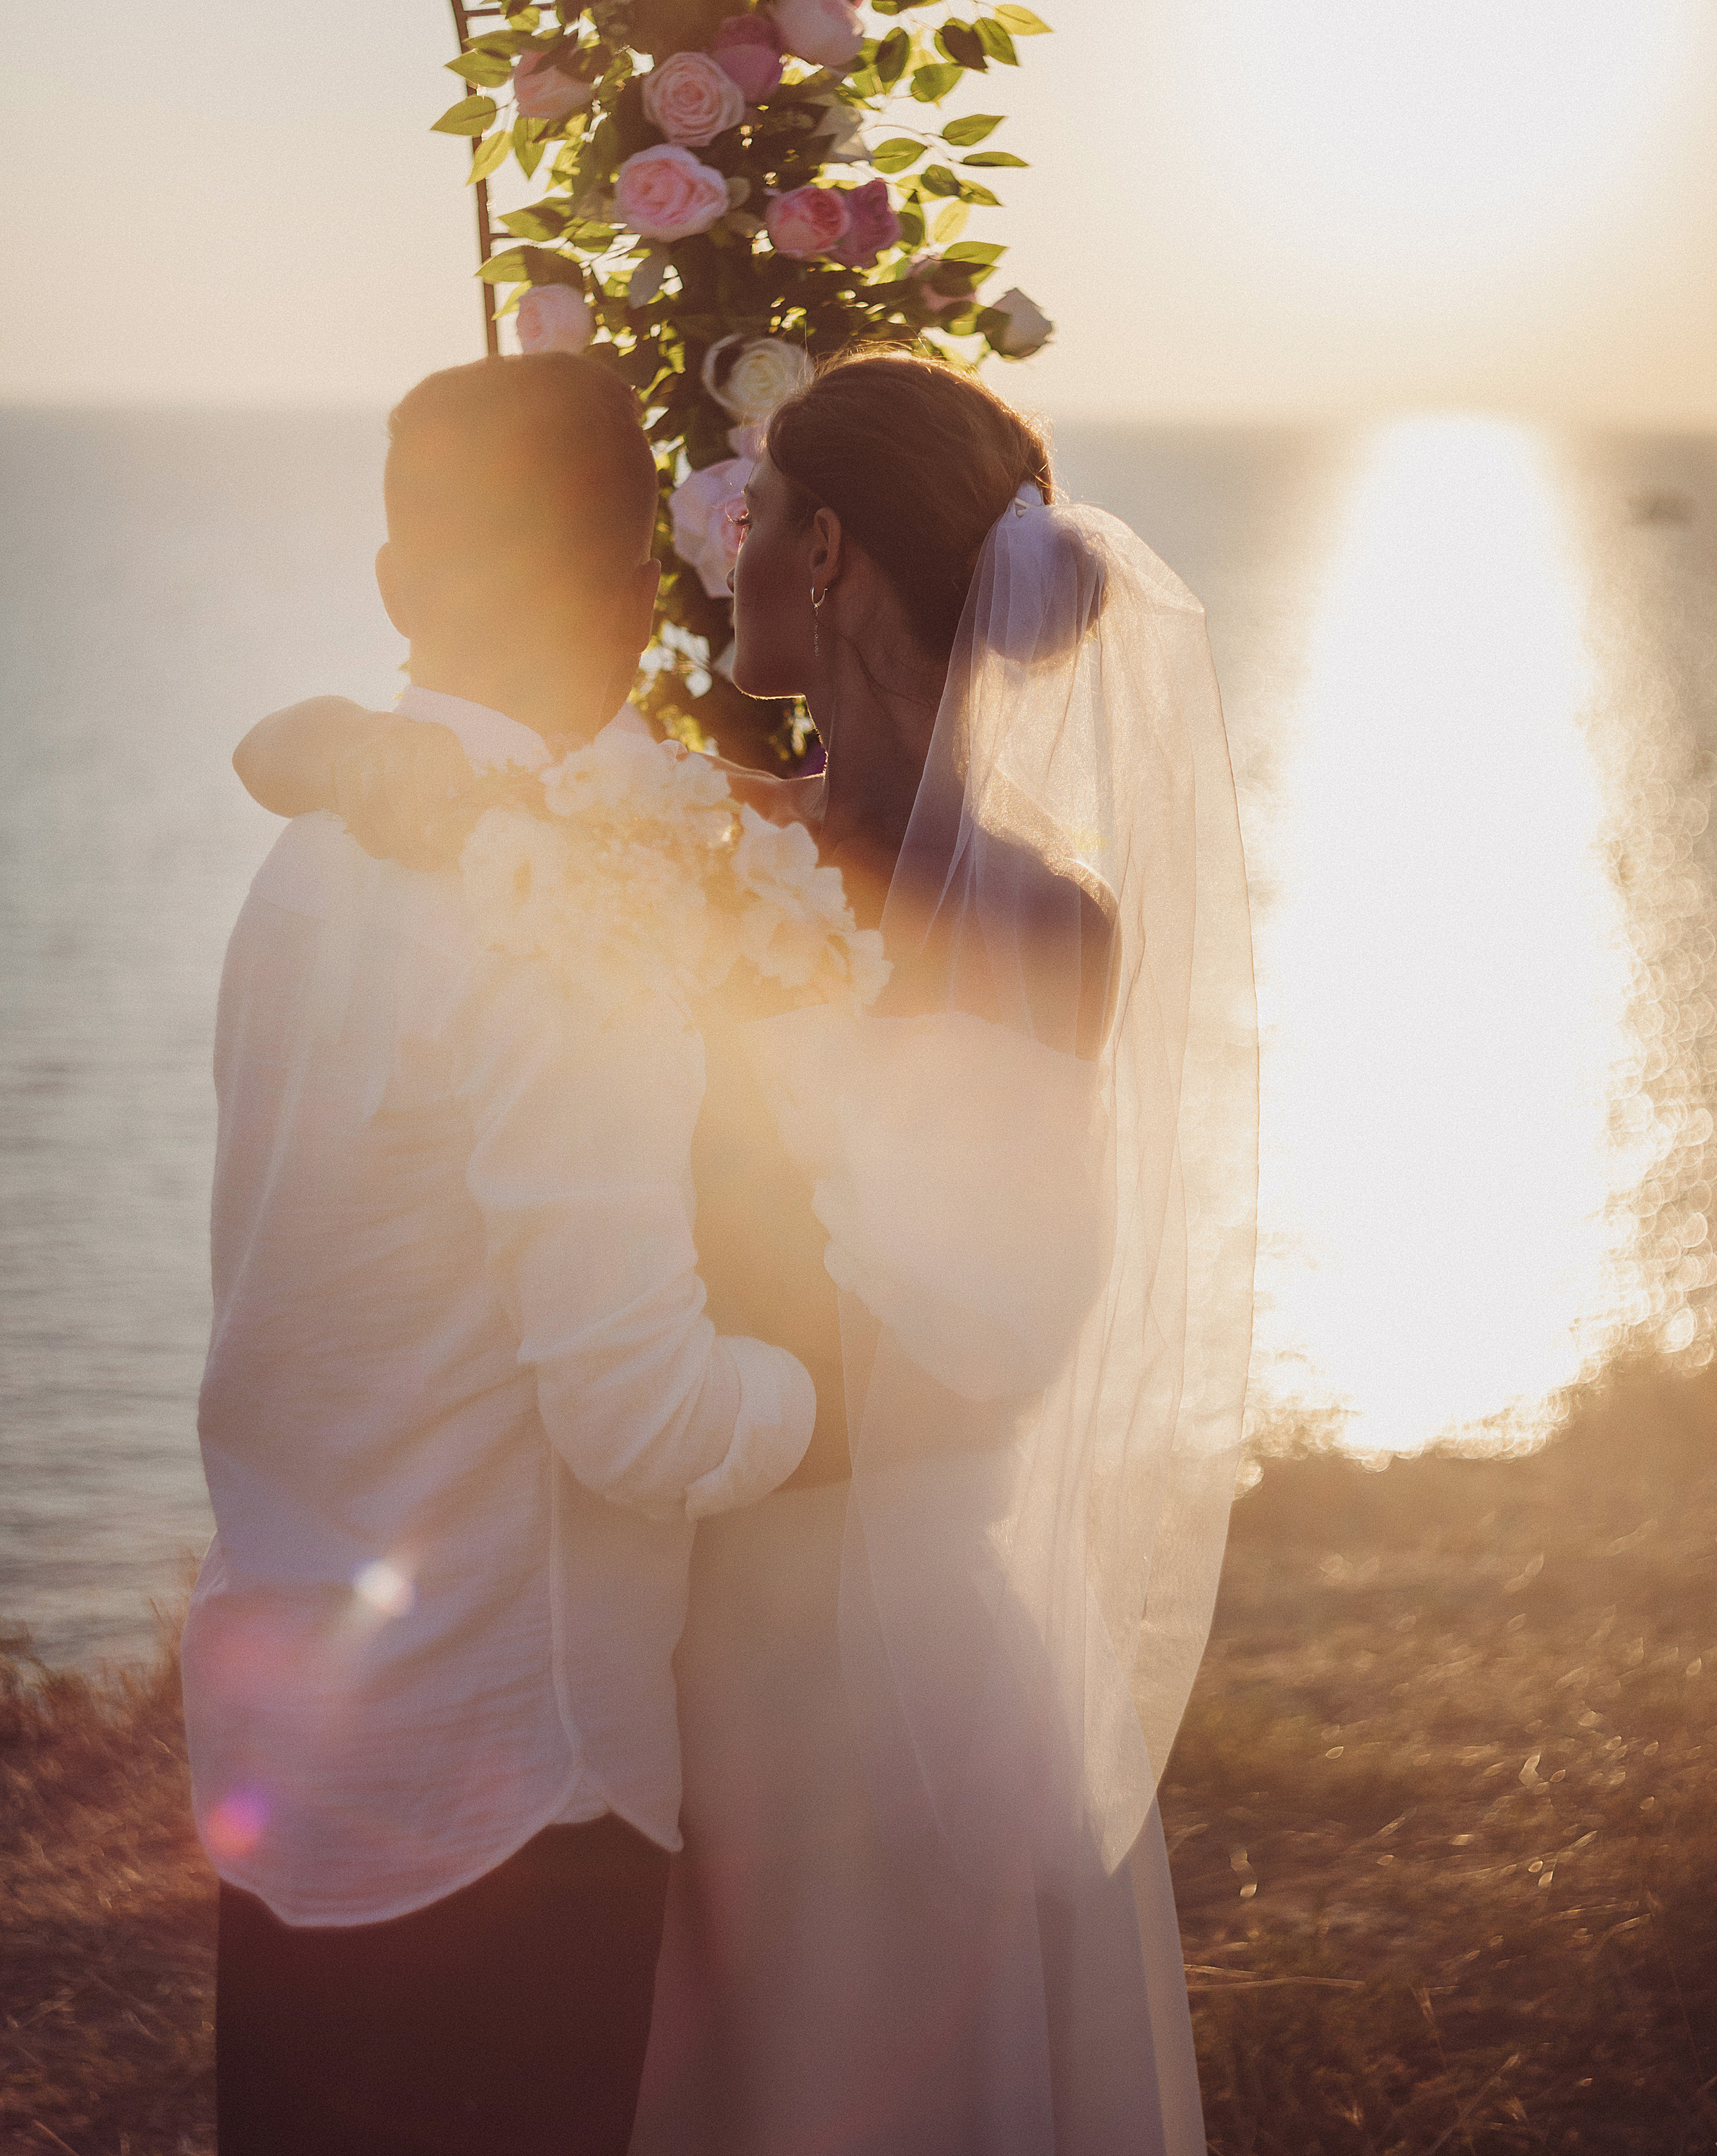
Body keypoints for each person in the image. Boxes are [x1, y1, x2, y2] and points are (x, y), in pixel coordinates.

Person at [239, 351, 1260, 2154]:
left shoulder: (1041, 922)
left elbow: (1009, 1309)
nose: (718, 552)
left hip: (880, 1648)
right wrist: (336, 744)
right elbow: (507, 812)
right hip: (689, 1633)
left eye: (755, 511)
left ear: (834, 554)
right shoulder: (705, 828)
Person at [186, 352, 818, 2156]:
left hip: (307, 1752)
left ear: (396, 590)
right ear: (644, 590)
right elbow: (632, 1413)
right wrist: (833, 1383)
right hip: (508, 1782)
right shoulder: (568, 903)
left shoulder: (302, 867)